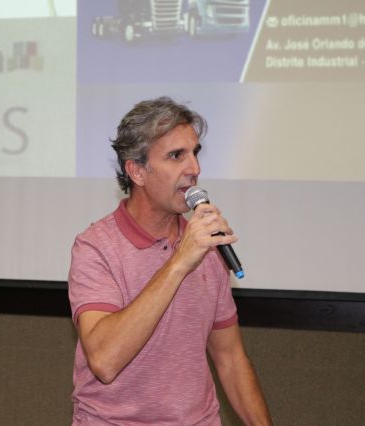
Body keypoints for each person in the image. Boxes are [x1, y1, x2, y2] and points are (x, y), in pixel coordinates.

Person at [68, 97, 272, 425]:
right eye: (176, 156)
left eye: (195, 153)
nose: (194, 169)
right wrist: (179, 262)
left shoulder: (207, 246)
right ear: (137, 171)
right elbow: (105, 361)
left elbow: (230, 359)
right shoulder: (95, 247)